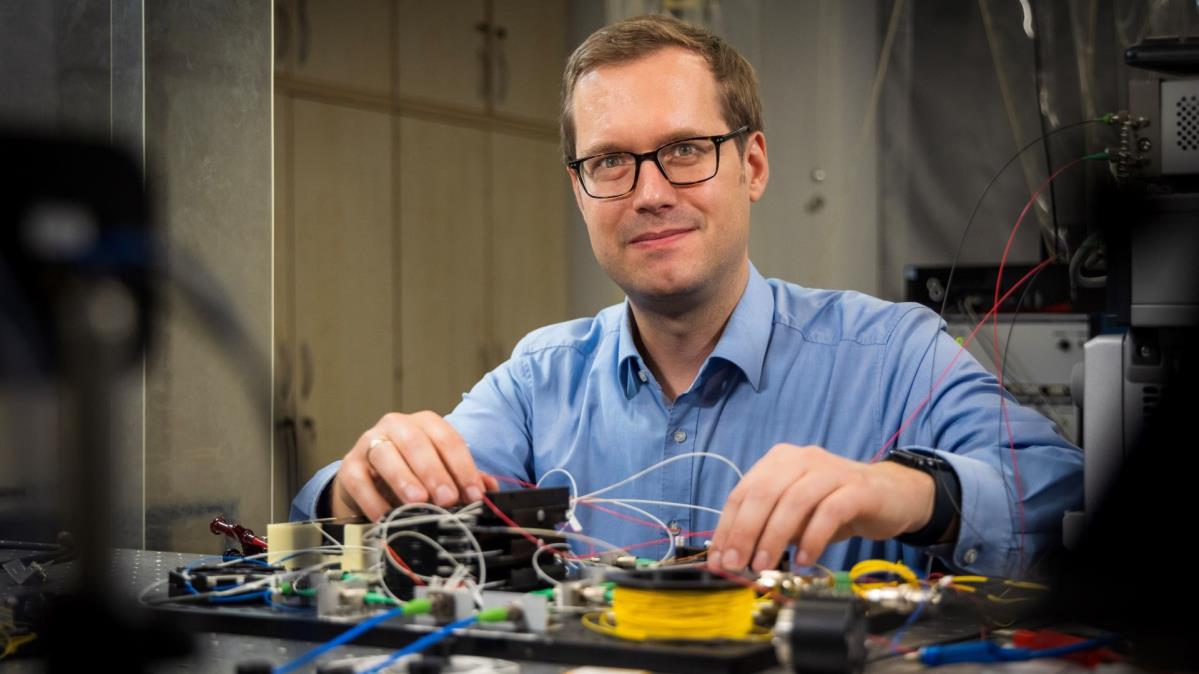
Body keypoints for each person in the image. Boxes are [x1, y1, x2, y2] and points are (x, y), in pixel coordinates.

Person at [291, 14, 1082, 578]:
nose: (648, 193)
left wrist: (906, 490)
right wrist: (358, 486)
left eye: (684, 150)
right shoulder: (538, 382)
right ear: (579, 190)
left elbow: (1067, 489)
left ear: (753, 166)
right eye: (609, 161)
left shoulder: (892, 357)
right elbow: (351, 520)